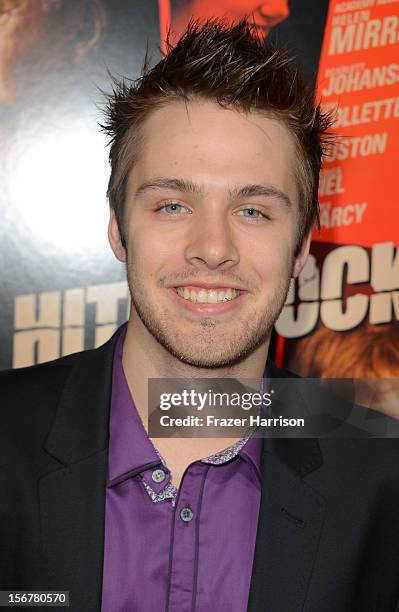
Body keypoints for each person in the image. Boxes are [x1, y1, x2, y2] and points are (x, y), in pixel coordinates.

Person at [1, 17, 399, 612]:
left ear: (299, 248)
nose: (212, 247)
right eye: (171, 203)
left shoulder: (381, 484)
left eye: (254, 211)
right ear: (117, 227)